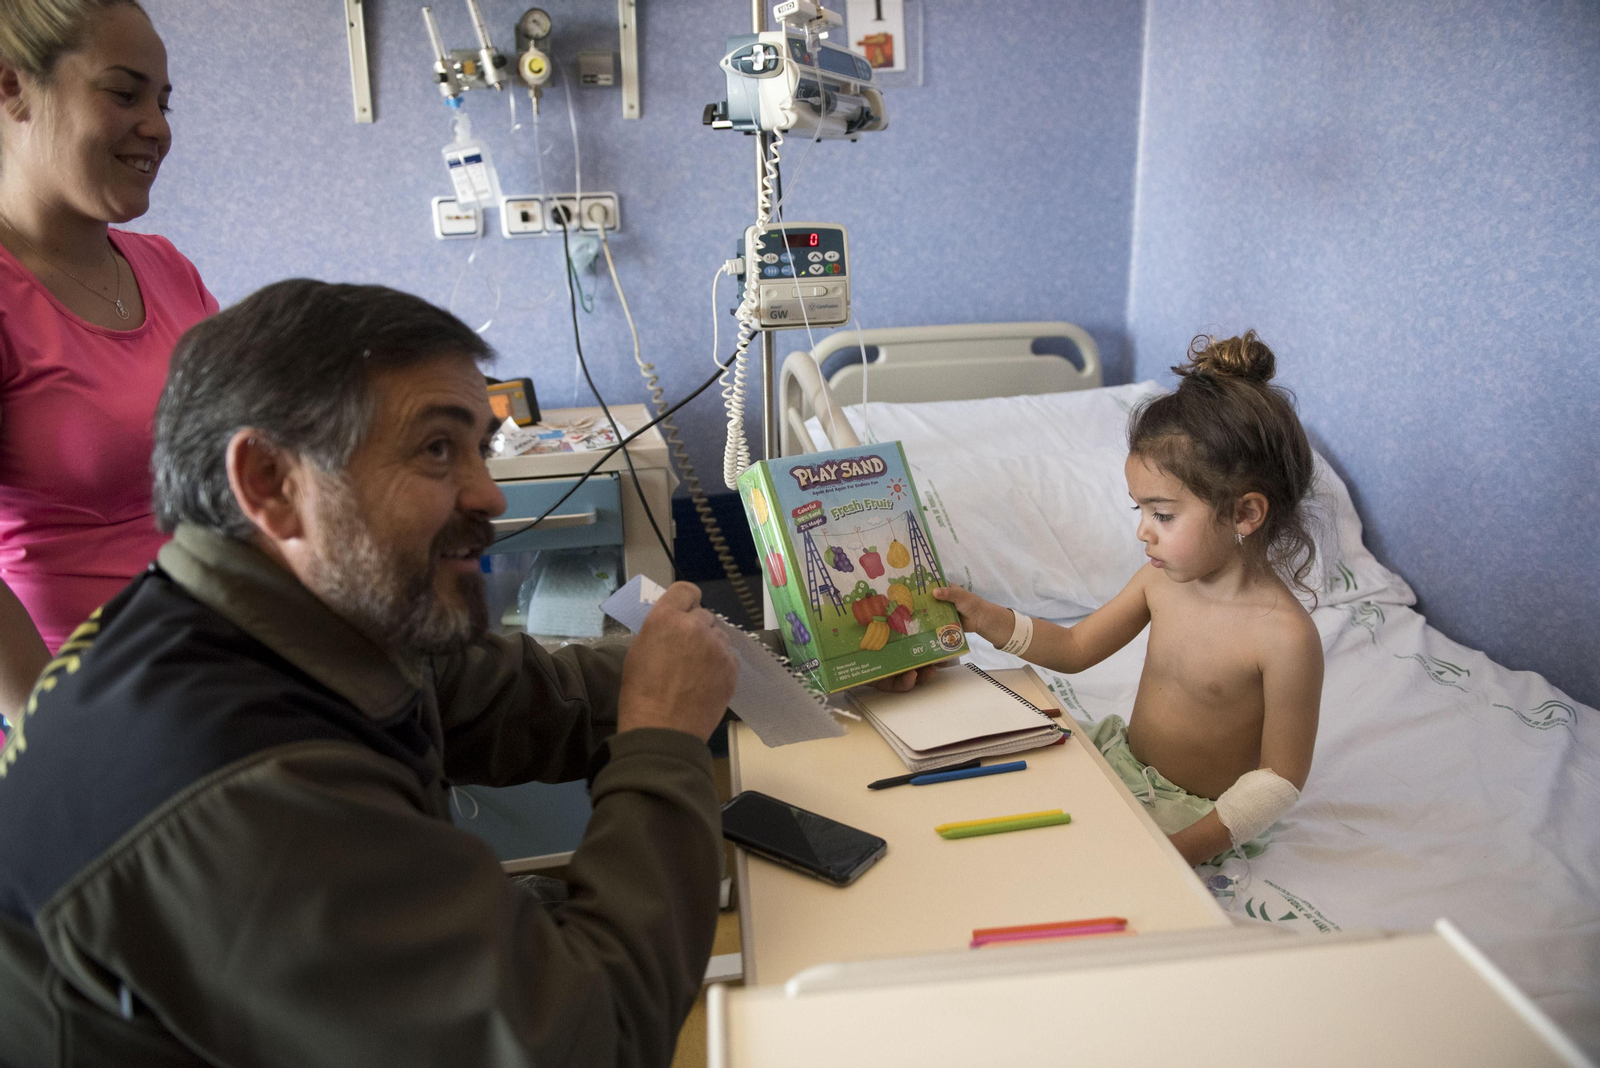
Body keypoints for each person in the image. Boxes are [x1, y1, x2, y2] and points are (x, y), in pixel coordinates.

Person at [0, 279, 739, 1067]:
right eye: (434, 450)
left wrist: (742, 673)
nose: (488, 494)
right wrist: (663, 741)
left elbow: (491, 692)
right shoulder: (247, 792)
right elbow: (596, 1046)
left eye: (479, 450)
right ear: (271, 483)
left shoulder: (252, 620)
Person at [934, 332, 1323, 867]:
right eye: (1140, 511)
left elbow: (1278, 781)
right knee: (993, 815)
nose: (1144, 531)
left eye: (1162, 515)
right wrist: (988, 618)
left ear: (1244, 515)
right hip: (1120, 763)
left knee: (1082, 877)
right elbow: (1073, 647)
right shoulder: (1159, 582)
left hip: (1194, 818)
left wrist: (1178, 850)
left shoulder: (1284, 638)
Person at [0, 0, 216, 721]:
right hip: (82, 708)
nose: (157, 126)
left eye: (163, 100)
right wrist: (53, 739)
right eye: (124, 93)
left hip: (210, 673)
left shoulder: (165, 268)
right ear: (11, 88)